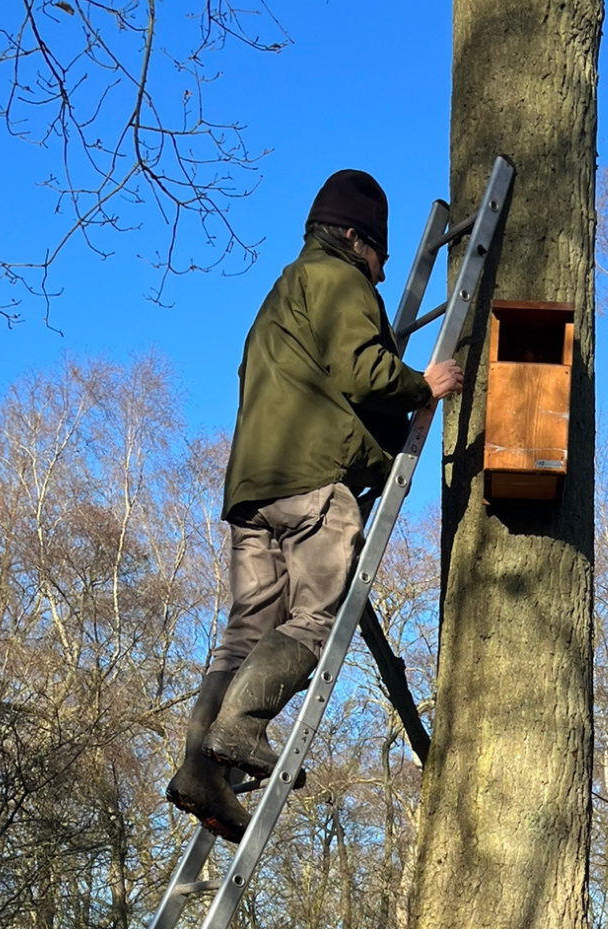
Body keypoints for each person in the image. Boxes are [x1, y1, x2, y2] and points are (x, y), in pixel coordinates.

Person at [166, 169, 464, 841]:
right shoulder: (338, 281)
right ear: (357, 238)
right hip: (311, 482)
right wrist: (426, 383)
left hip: (251, 491)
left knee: (244, 634)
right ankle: (239, 728)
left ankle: (198, 770)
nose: (384, 276)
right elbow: (364, 370)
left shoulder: (280, 297)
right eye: (380, 257)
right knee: (318, 620)